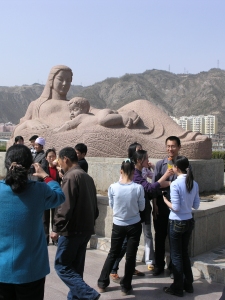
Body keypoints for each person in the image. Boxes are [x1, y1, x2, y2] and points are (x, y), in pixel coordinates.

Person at [0, 144, 65, 300]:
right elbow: (60, 196)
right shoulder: (40, 190)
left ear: (7, 164)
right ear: (30, 166)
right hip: (32, 270)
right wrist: (45, 176)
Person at [50, 147, 100, 300]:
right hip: (85, 229)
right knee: (76, 270)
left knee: (62, 266)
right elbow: (95, 208)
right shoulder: (87, 177)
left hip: (72, 231)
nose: (60, 165)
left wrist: (56, 228)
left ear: (65, 159)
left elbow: (65, 207)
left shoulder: (70, 177)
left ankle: (89, 294)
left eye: (60, 161)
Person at [97, 160, 145, 296]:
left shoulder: (113, 187)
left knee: (113, 253)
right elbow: (142, 207)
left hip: (118, 224)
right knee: (131, 256)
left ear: (121, 171)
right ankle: (126, 286)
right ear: (134, 172)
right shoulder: (138, 188)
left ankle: (102, 283)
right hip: (134, 225)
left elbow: (112, 205)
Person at [162, 156, 200, 297]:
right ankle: (188, 284)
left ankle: (177, 287)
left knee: (176, 255)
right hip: (189, 221)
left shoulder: (175, 184)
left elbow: (176, 208)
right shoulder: (194, 183)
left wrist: (165, 200)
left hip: (176, 222)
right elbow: (196, 205)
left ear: (176, 168)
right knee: (184, 253)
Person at [151, 136, 181, 276]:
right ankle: (158, 265)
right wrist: (155, 205)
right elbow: (155, 186)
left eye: (173, 146)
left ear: (179, 148)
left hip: (177, 206)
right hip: (161, 205)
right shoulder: (159, 164)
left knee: (174, 238)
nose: (170, 149)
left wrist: (168, 183)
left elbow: (186, 184)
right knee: (160, 236)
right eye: (168, 146)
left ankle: (173, 266)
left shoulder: (183, 164)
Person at [42, 148, 62, 246]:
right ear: (46, 158)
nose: (51, 158)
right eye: (49, 156)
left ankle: (55, 238)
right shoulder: (43, 169)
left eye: (53, 156)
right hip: (45, 195)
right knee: (45, 218)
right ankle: (45, 239)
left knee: (55, 217)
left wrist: (59, 168)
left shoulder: (59, 168)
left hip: (55, 195)